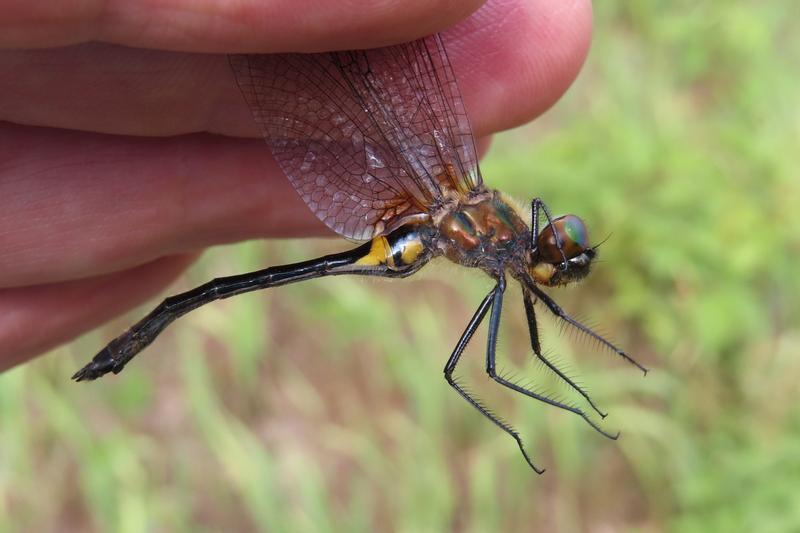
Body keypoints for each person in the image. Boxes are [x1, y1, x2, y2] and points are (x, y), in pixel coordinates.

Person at [0, 0, 593, 370]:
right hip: (425, 224)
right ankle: (158, 321)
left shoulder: (505, 240)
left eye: (561, 247)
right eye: (562, 244)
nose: (559, 250)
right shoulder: (497, 235)